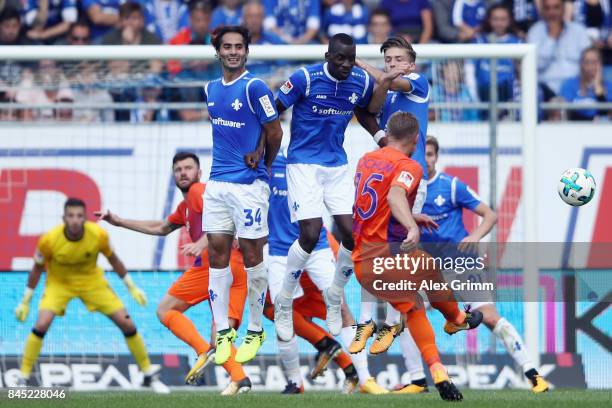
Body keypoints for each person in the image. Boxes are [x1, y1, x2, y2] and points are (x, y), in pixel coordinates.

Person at [395, 135, 550, 394]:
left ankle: (533, 374)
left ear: (437, 157)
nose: (428, 159)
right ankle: (418, 380)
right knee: (406, 313)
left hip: (460, 263)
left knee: (490, 317)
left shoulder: (452, 186)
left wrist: (475, 236)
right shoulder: (406, 191)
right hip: (427, 267)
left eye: (432, 154)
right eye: (425, 154)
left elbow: (490, 214)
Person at [272, 33, 398, 342]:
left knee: (353, 235)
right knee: (311, 234)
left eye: (350, 59)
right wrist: (261, 149)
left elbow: (365, 111)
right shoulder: (305, 78)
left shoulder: (359, 81)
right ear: (329, 56)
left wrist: (382, 140)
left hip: (337, 165)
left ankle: (334, 295)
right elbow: (273, 108)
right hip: (303, 164)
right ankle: (284, 300)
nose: (344, 64)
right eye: (339, 58)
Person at [96, 152, 252, 395]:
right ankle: (240, 379)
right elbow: (161, 227)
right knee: (220, 339)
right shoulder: (185, 206)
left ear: (198, 173)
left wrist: (202, 244)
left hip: (218, 264)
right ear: (173, 176)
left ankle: (203, 351)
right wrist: (120, 221)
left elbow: (227, 216)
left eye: (188, 168)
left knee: (165, 309)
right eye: (178, 169)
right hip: (233, 270)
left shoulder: (199, 191)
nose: (183, 172)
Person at [351, 111, 466, 401]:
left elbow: (378, 205)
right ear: (416, 140)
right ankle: (456, 318)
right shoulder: (410, 166)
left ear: (387, 135)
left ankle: (438, 369)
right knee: (424, 284)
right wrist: (411, 225)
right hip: (385, 257)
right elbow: (394, 196)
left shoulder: (367, 159)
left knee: (417, 295)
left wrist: (412, 216)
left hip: (363, 261)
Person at [263, 150, 388, 394]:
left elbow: (338, 198)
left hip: (318, 246)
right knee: (281, 313)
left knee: (340, 307)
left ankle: (365, 379)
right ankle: (295, 382)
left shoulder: (314, 164)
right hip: (279, 251)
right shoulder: (266, 167)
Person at [13, 198, 169, 393]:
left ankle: (148, 375)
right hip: (59, 284)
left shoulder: (98, 235)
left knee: (126, 322)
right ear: (64, 218)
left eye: (79, 216)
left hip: (92, 283)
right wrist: (25, 301)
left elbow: (114, 260)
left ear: (85, 218)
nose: (75, 220)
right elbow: (36, 269)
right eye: (71, 216)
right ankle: (23, 377)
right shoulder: (49, 240)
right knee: (41, 323)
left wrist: (132, 287)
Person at [204, 25, 283, 366]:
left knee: (252, 254)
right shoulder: (209, 89)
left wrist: (262, 162)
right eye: (227, 47)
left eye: (239, 46)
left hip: (249, 185)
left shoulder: (255, 87)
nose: (233, 51)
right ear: (218, 51)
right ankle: (222, 330)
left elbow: (275, 130)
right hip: (217, 182)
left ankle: (254, 328)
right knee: (217, 253)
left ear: (246, 51)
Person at [527, 0, 591, 99]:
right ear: (543, 11)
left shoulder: (579, 31)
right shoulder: (534, 32)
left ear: (563, 9)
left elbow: (589, 62)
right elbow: (536, 65)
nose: (552, 12)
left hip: (576, 90)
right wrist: (551, 37)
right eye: (548, 8)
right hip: (545, 90)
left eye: (556, 7)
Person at [559, 46, 612, 121]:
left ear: (601, 64)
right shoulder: (569, 84)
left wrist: (598, 88)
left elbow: (606, 115)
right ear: (581, 64)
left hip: (601, 129)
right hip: (574, 128)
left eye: (594, 62)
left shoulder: (609, 86)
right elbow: (566, 113)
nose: (590, 67)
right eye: (587, 62)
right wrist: (591, 119)